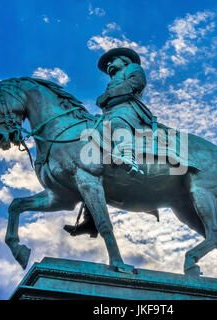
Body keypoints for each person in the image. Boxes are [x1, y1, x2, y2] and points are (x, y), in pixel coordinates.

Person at [64, 47, 156, 238]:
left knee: (117, 122)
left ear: (123, 61)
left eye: (112, 61)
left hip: (129, 110)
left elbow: (135, 85)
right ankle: (90, 220)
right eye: (107, 63)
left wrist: (106, 97)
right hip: (110, 112)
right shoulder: (112, 81)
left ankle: (128, 157)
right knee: (88, 160)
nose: (108, 65)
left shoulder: (132, 69)